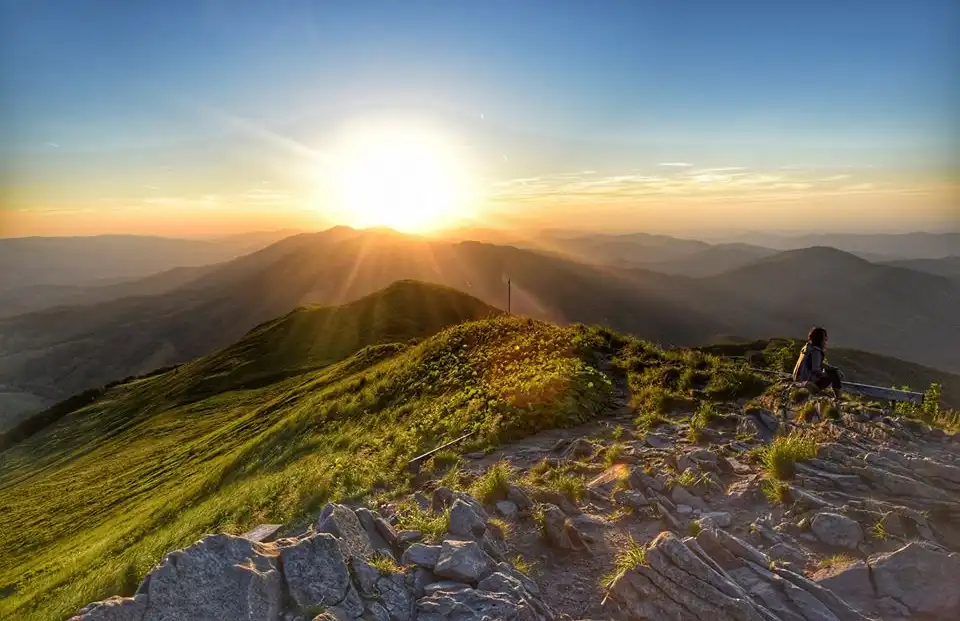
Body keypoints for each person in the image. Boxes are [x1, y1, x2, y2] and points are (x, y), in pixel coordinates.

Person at [792, 326, 843, 399]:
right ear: (820, 339)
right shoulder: (816, 351)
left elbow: (817, 363)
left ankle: (837, 396)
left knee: (832, 370)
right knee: (833, 373)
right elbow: (816, 370)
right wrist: (832, 373)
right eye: (825, 339)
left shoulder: (807, 348)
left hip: (798, 379)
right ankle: (838, 397)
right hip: (807, 381)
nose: (826, 341)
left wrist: (833, 368)